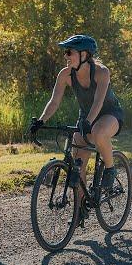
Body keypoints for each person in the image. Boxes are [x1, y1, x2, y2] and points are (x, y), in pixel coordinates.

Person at [29, 34, 125, 206]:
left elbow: (98, 102)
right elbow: (54, 101)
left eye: (69, 52)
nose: (65, 56)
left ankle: (110, 170)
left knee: (99, 132)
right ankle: (80, 209)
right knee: (77, 166)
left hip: (109, 114)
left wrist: (88, 122)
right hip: (86, 117)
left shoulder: (102, 72)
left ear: (84, 55)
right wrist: (41, 121)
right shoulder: (65, 74)